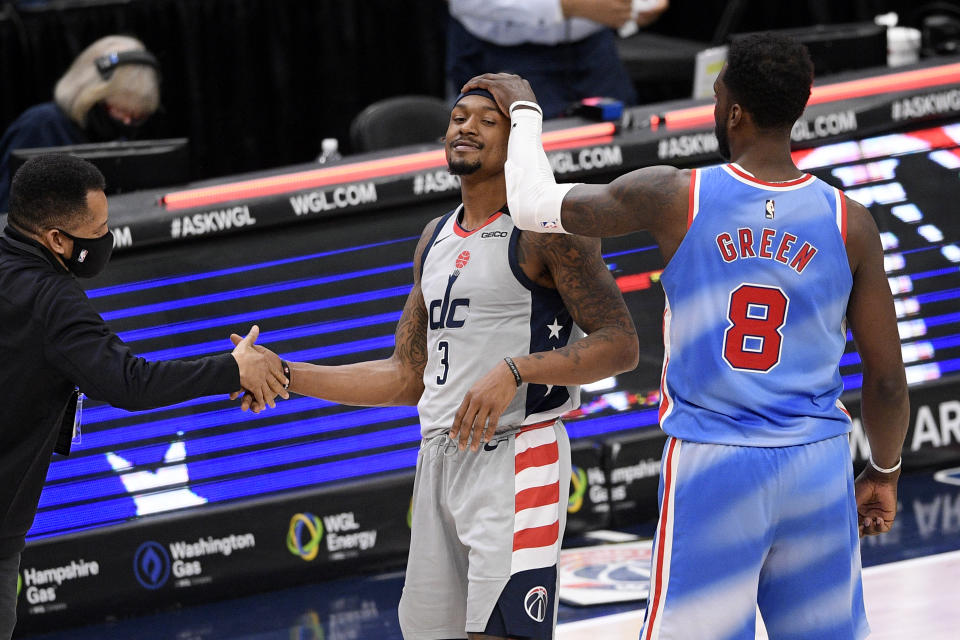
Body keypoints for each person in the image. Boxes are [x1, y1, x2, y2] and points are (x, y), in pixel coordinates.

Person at [465, 31, 909, 640]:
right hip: (817, 463)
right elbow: (886, 380)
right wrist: (883, 471)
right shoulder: (849, 221)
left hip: (715, 462)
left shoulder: (677, 196)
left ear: (732, 111)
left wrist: (524, 113)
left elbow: (533, 204)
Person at [236, 89, 639, 639]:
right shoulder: (434, 237)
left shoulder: (546, 228)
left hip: (516, 456)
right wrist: (286, 373)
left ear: (516, 137)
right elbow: (406, 376)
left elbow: (620, 344)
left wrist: (518, 370)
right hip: (439, 461)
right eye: (458, 118)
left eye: (487, 120)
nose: (466, 127)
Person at [0, 154, 288, 639]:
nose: (106, 239)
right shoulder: (50, 300)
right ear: (55, 239)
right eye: (100, 229)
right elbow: (128, 382)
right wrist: (233, 369)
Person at [0, 34, 161, 211]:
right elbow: (9, 212)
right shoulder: (40, 127)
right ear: (90, 95)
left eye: (136, 118)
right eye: (118, 111)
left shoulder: (114, 138)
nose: (126, 123)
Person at [446, 0, 669, 119]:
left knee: (624, 141)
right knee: (522, 163)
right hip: (503, 53)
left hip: (593, 48)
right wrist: (564, 5)